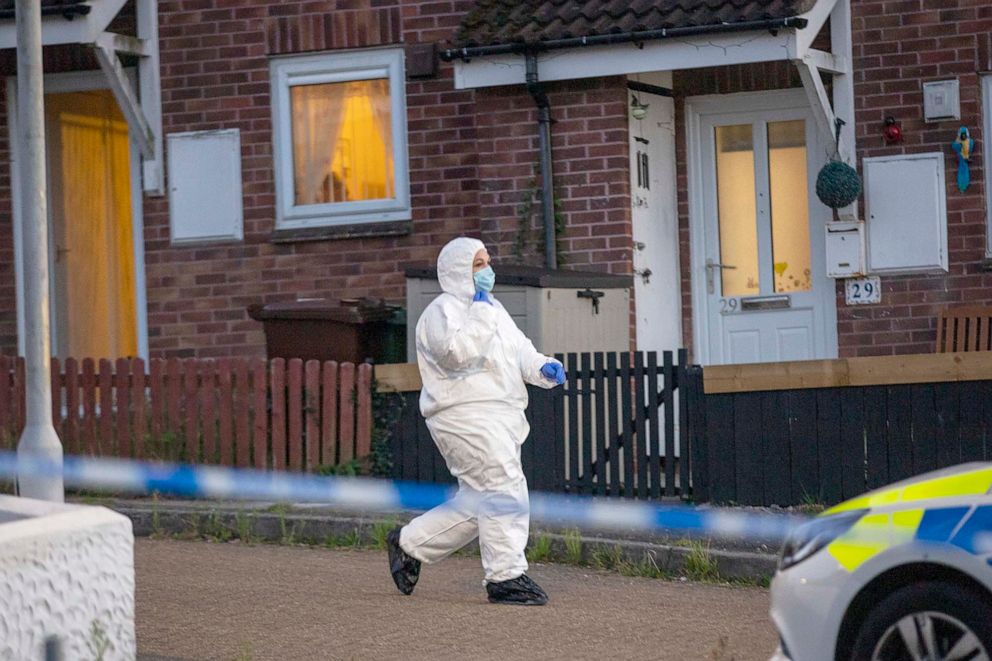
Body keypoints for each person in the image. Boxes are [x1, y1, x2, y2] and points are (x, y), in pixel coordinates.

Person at [386, 236, 567, 605]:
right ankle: (506, 577)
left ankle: (409, 543)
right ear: (458, 271)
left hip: (499, 415)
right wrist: (482, 309)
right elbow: (458, 354)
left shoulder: (495, 309)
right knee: (504, 486)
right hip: (463, 415)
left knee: (480, 499)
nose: (487, 270)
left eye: (487, 261)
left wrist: (543, 367)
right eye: (478, 264)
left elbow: (520, 351)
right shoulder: (440, 312)